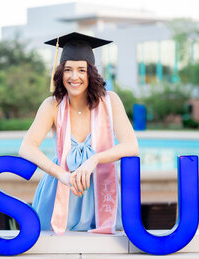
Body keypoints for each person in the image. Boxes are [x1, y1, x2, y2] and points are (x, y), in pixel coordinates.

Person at [19, 32, 139, 235]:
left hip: (101, 189)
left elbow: (132, 146)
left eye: (81, 70)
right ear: (60, 73)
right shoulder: (52, 105)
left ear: (90, 73)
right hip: (60, 189)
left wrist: (95, 159)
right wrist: (61, 175)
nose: (74, 77)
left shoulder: (110, 102)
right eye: (68, 70)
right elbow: (26, 147)